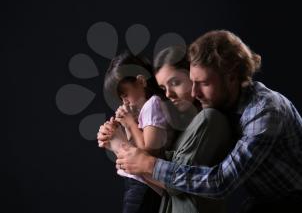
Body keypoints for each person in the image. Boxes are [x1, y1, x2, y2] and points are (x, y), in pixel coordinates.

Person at [114, 30, 302, 213]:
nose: (195, 93)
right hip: (262, 199)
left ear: (231, 77)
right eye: (192, 82)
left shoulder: (264, 111)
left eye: (204, 83)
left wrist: (149, 164)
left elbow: (221, 181)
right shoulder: (222, 105)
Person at [99, 46, 236, 213]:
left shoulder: (208, 120)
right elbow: (161, 181)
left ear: (193, 77)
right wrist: (117, 140)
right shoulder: (180, 124)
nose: (168, 94)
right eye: (163, 88)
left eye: (175, 82)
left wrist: (120, 145)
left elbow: (172, 185)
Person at [99, 50, 172, 213]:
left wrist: (130, 123)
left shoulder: (153, 104)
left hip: (144, 186)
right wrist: (121, 130)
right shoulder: (143, 110)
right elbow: (134, 146)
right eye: (121, 98)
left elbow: (148, 150)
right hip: (137, 182)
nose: (124, 101)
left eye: (125, 95)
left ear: (141, 81)